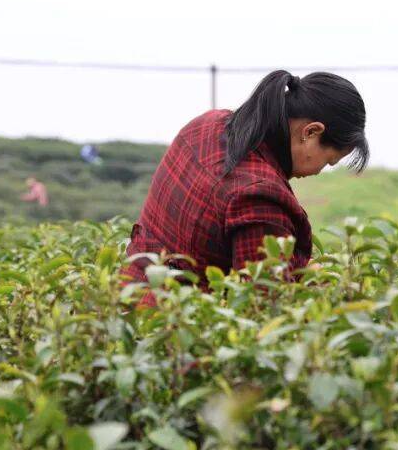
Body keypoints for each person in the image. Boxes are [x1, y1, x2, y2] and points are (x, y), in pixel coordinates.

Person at [121, 70, 368, 298]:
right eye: (328, 161)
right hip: (171, 321)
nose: (317, 172)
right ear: (311, 132)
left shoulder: (206, 124)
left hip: (128, 294)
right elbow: (264, 304)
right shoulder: (261, 196)